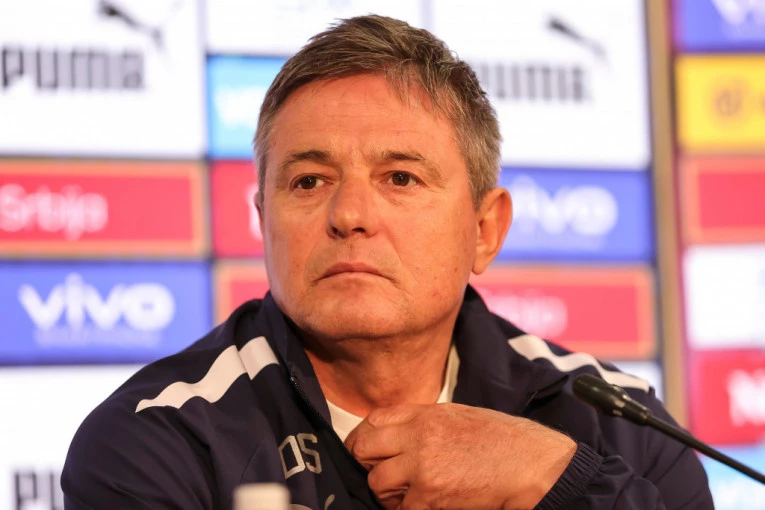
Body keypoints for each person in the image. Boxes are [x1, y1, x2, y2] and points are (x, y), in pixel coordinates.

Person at [62, 15, 713, 510]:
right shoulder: (156, 440)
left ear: (484, 230)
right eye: (309, 181)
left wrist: (555, 482)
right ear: (263, 220)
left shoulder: (620, 426)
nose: (349, 214)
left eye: (400, 178)